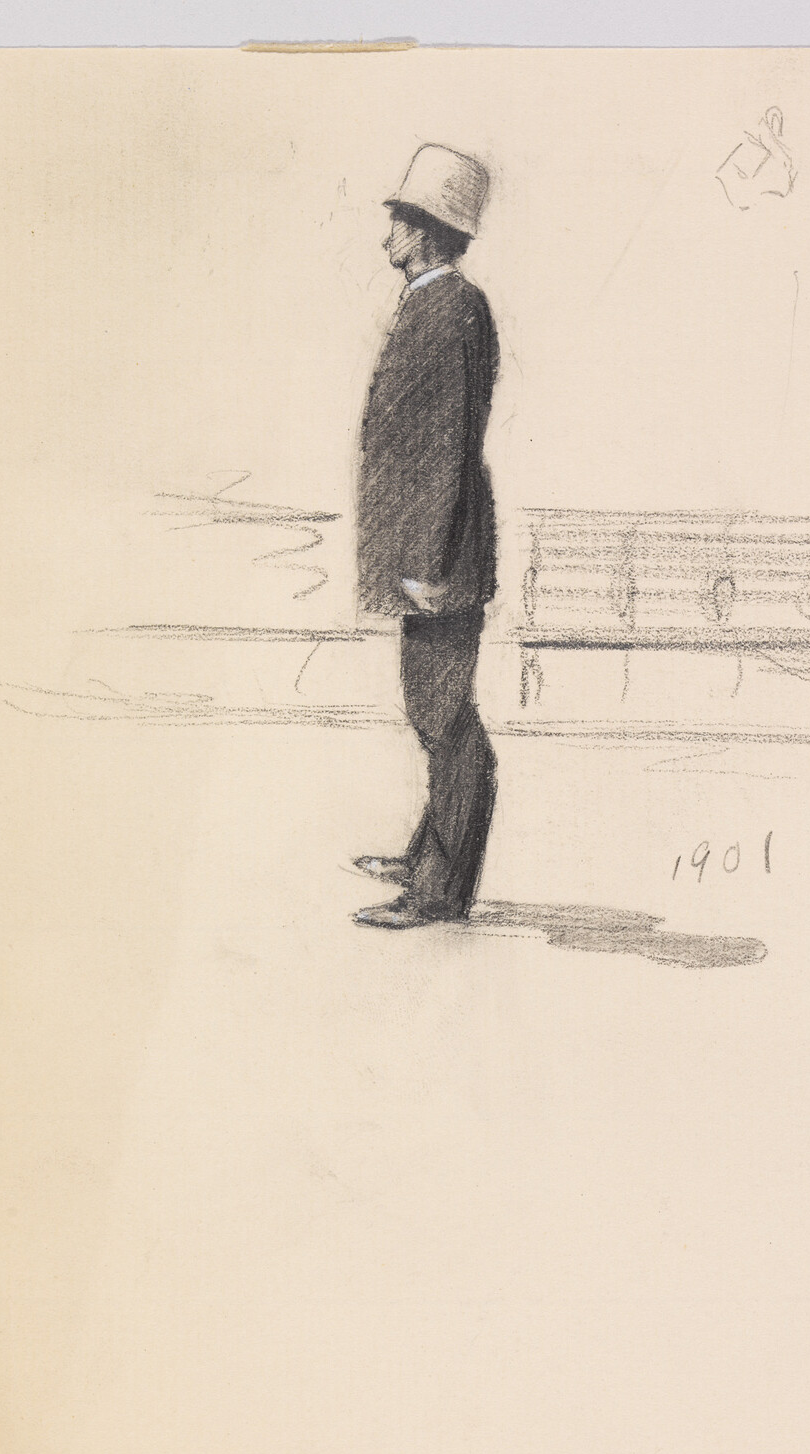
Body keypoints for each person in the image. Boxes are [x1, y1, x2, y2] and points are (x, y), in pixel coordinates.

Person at [353, 146, 500, 929]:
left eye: (399, 224)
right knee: (433, 706)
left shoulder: (451, 307)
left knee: (445, 716)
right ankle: (426, 855)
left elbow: (446, 443)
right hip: (425, 551)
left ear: (430, 231)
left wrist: (428, 562)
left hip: (436, 557)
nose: (388, 239)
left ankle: (441, 890)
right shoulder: (434, 301)